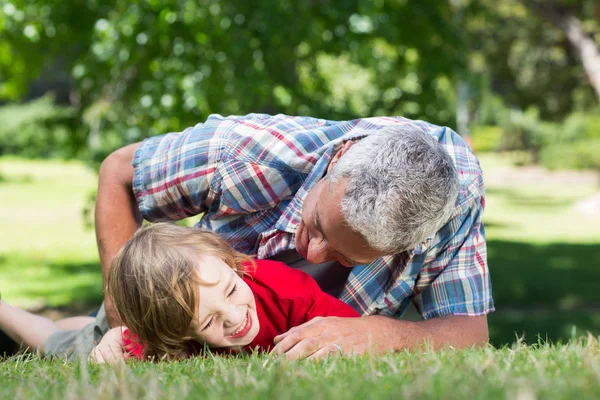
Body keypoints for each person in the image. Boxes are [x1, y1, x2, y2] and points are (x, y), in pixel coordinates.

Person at [94, 113, 493, 360]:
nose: (313, 254)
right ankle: (28, 323)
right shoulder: (247, 152)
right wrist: (124, 317)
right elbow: (119, 172)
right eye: (317, 224)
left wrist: (377, 332)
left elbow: (468, 333)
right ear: (337, 162)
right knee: (77, 343)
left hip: (248, 328)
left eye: (347, 257)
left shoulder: (453, 200)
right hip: (175, 307)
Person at [0, 223, 358, 361]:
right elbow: (117, 357)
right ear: (179, 333)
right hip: (129, 323)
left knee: (84, 327)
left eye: (231, 290)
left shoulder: (284, 289)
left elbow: (354, 332)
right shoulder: (161, 336)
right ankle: (7, 313)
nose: (235, 317)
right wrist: (107, 350)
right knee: (63, 347)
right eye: (209, 320)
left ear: (231, 263)